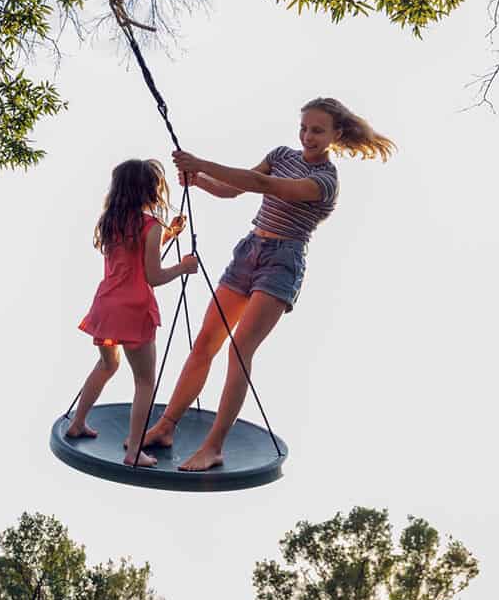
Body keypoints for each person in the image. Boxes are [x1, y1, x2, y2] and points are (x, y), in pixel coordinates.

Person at [141, 97, 396, 471]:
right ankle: (165, 427)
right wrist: (199, 179)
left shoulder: (325, 182)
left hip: (282, 261)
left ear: (336, 135)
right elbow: (233, 189)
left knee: (239, 352)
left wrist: (202, 163)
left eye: (317, 131)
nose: (307, 136)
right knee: (205, 344)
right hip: (249, 251)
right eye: (304, 128)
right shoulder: (280, 154)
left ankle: (214, 446)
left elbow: (263, 184)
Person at [67, 158, 198, 467]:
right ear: (149, 190)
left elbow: (132, 253)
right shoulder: (149, 225)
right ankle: (133, 452)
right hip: (135, 311)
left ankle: (77, 422)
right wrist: (183, 267)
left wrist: (170, 235)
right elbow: (153, 276)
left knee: (106, 366)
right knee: (144, 382)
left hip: (106, 307)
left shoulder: (110, 222)